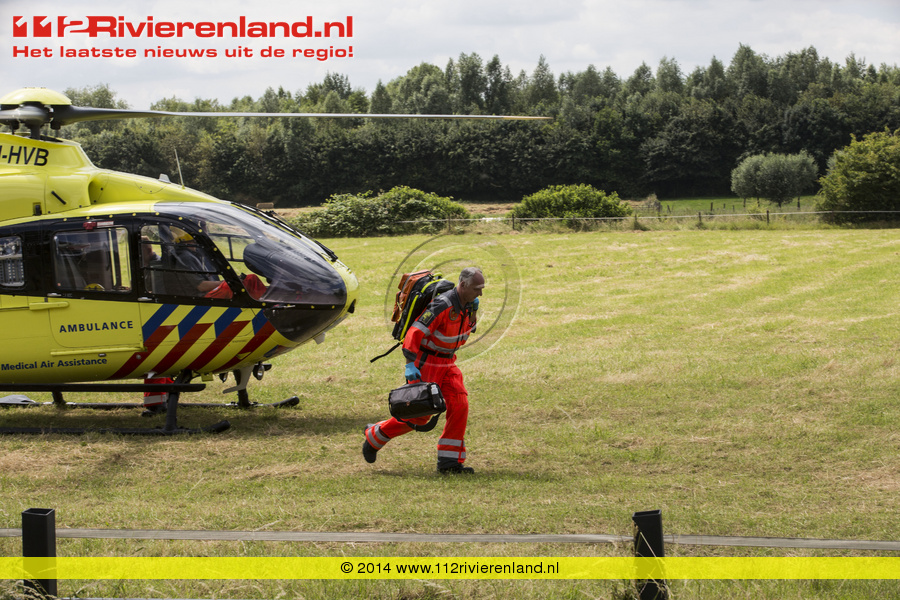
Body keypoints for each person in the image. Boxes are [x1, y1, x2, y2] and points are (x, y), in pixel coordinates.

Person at [363, 267, 485, 474]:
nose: (480, 293)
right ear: (463, 285)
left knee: (459, 405)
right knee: (419, 416)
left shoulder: (467, 305)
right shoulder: (442, 305)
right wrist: (410, 364)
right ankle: (375, 436)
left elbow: (464, 331)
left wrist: (472, 312)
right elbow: (415, 331)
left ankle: (449, 463)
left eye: (482, 289)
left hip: (448, 363)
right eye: (477, 288)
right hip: (426, 363)